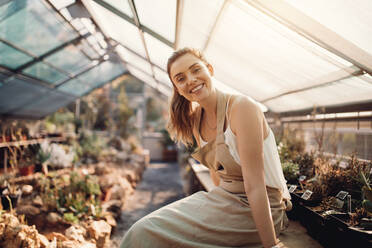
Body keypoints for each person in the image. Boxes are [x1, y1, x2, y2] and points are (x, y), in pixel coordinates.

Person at [120, 47, 291, 248]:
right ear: (177, 88)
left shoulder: (241, 108)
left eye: (195, 70)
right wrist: (210, 210)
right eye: (181, 78)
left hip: (259, 210)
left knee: (150, 235)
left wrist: (271, 245)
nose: (191, 80)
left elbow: (255, 185)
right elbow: (217, 177)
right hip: (224, 200)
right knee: (142, 230)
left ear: (209, 69)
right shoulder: (195, 122)